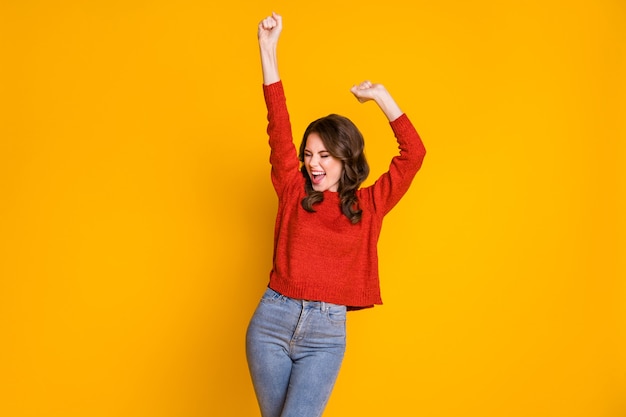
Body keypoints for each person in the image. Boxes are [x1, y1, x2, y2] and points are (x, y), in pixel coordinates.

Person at [246, 12, 426, 417]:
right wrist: (267, 49)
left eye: (324, 155)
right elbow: (278, 126)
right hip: (272, 322)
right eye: (308, 154)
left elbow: (413, 155)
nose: (313, 164)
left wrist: (381, 97)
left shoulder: (370, 204)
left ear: (346, 158)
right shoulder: (293, 190)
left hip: (325, 335)